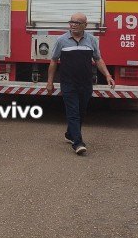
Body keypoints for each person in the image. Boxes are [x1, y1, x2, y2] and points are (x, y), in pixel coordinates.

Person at [45, 12, 115, 156]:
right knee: (73, 113)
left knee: (81, 111)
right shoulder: (61, 40)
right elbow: (53, 61)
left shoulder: (91, 40)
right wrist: (50, 82)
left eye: (77, 23)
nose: (73, 25)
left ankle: (70, 134)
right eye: (72, 22)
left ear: (85, 25)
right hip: (68, 83)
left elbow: (98, 59)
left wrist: (108, 75)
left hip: (85, 83)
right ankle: (78, 143)